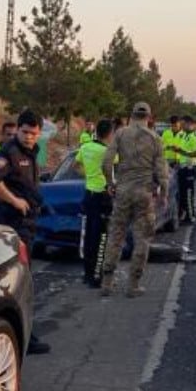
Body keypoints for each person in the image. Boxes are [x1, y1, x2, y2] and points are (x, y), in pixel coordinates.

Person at [0, 109, 50, 355]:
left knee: (23, 279)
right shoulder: (9, 153)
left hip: (27, 224)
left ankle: (23, 333)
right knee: (19, 281)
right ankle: (25, 337)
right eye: (25, 132)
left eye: (34, 133)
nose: (29, 137)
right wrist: (14, 201)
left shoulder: (32, 153)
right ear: (18, 129)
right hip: (12, 224)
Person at [100, 102, 168, 298]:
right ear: (149, 117)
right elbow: (161, 170)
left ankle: (107, 282)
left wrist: (110, 182)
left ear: (132, 115)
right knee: (142, 239)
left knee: (115, 236)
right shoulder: (155, 138)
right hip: (144, 193)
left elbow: (106, 161)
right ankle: (133, 285)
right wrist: (163, 193)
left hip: (123, 191)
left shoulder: (121, 134)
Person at [76, 119, 115, 287]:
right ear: (110, 134)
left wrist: (88, 175)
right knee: (102, 237)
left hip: (88, 194)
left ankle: (87, 274)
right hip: (102, 195)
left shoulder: (85, 147)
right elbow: (113, 171)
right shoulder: (107, 152)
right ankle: (97, 278)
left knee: (89, 236)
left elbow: (76, 165)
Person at [176, 115, 196, 223]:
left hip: (190, 168)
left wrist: (183, 152)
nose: (181, 126)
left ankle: (190, 217)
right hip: (183, 167)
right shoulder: (184, 135)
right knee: (182, 193)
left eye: (182, 124)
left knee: (188, 193)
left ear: (188, 123)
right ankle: (186, 213)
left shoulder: (194, 136)